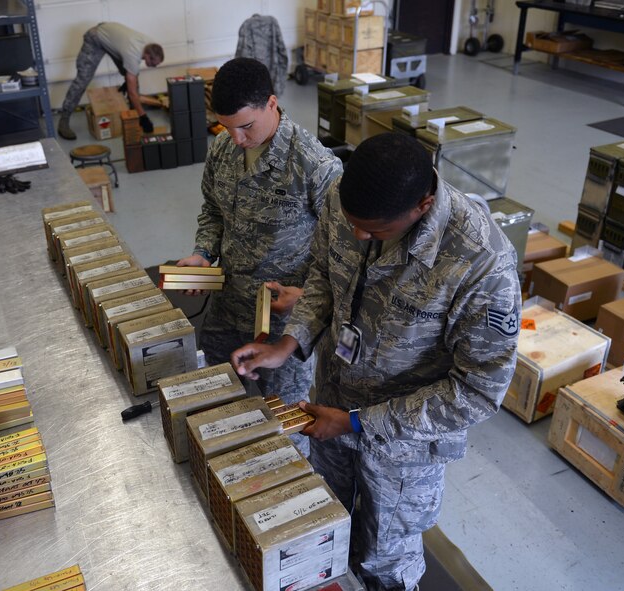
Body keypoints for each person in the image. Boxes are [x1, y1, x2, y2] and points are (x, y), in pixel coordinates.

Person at [231, 133, 521, 591]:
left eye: (376, 231)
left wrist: (358, 423)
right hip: (329, 407)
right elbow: (326, 276)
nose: (360, 236)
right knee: (329, 522)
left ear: (423, 205)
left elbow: (478, 392)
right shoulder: (341, 198)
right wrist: (288, 344)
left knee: (385, 558)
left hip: (401, 447)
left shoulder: (480, 263)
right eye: (353, 225)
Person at [176, 58, 342, 453]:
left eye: (246, 126)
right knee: (215, 400)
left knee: (285, 425)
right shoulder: (224, 148)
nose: (235, 138)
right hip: (228, 307)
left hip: (283, 324)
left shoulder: (313, 166)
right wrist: (203, 253)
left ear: (271, 103)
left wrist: (308, 300)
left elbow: (346, 250)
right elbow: (213, 210)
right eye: (225, 127)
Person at [58, 23, 164, 140]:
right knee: (82, 81)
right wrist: (144, 117)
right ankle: (64, 120)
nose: (154, 67)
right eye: (153, 64)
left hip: (112, 38)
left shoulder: (152, 46)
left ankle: (133, 118)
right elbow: (133, 92)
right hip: (96, 38)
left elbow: (133, 75)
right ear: (147, 55)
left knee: (133, 78)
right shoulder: (133, 54)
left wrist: (129, 81)